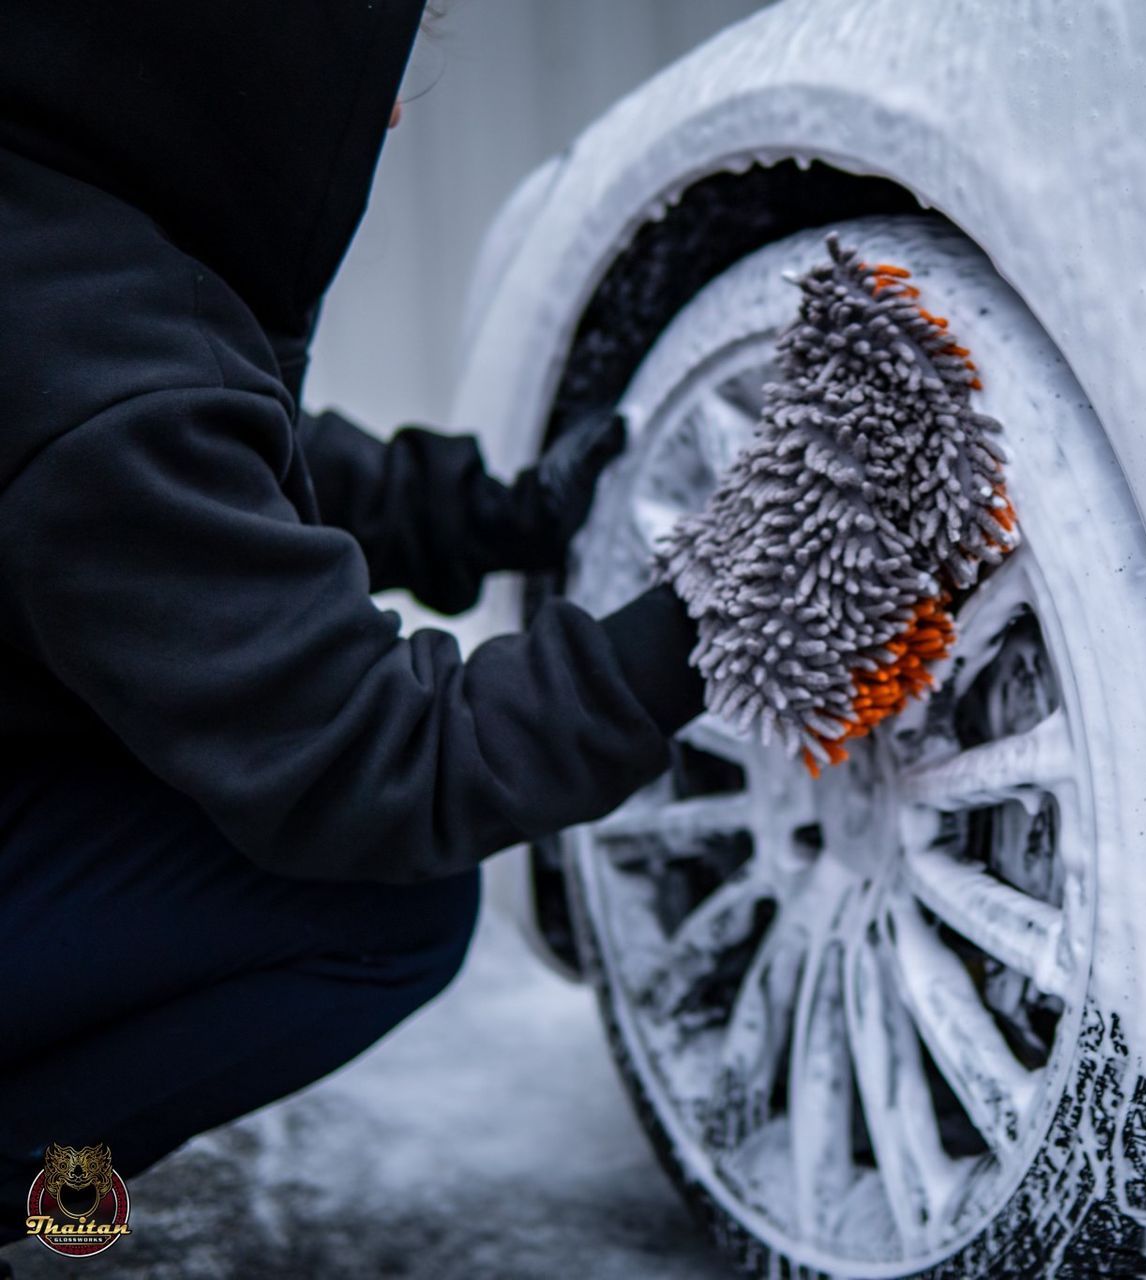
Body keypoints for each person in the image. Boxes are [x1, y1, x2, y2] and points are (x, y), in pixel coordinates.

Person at [0, 1, 706, 1249]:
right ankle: (43, 1179)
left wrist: (497, 515)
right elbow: (378, 767)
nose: (381, 116)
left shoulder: (50, 239)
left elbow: (205, 474)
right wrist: (722, 622)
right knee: (382, 914)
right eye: (373, 72)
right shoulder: (97, 367)